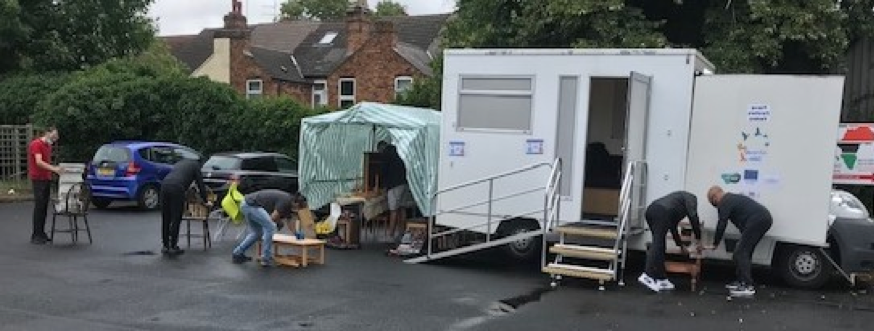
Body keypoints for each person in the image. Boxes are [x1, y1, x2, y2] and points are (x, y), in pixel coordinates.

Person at [706, 185, 773, 297]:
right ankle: (741, 281)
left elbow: (722, 223)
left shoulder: (725, 201)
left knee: (741, 252)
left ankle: (747, 285)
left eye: (714, 202)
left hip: (757, 220)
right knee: (743, 252)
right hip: (762, 218)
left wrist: (715, 243)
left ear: (715, 197)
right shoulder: (732, 199)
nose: (716, 206)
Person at [637, 191, 703, 292]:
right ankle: (647, 275)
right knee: (658, 244)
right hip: (660, 212)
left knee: (660, 245)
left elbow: (673, 226)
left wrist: (680, 245)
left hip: (651, 211)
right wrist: (698, 238)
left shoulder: (676, 206)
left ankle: (661, 279)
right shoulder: (691, 198)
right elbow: (693, 216)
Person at [231, 189, 296, 267]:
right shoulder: (286, 201)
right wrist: (278, 222)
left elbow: (289, 221)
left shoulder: (289, 203)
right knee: (270, 227)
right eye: (299, 207)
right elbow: (273, 217)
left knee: (257, 233)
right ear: (295, 202)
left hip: (246, 204)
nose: (297, 210)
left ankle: (237, 253)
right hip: (252, 205)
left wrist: (296, 233)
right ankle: (265, 258)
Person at [160, 158, 210, 256]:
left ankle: (165, 246)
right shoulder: (196, 166)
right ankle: (173, 246)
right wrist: (205, 200)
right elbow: (200, 184)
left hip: (164, 185)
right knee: (176, 217)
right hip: (177, 188)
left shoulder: (181, 163)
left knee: (166, 217)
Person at [27, 127, 62, 245]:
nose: (55, 138)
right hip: (38, 179)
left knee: (44, 207)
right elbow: (39, 162)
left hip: (46, 178)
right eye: (54, 135)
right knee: (39, 206)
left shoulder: (48, 146)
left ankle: (41, 233)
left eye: (56, 136)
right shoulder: (36, 144)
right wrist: (54, 169)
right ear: (47, 133)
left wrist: (52, 171)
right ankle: (36, 234)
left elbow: (45, 162)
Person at [378, 140, 409, 241]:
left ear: (381, 148)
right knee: (402, 208)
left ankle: (390, 235)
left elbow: (383, 171)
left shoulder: (386, 155)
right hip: (404, 183)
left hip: (394, 185)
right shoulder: (398, 152)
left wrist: (382, 185)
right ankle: (402, 233)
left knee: (393, 210)